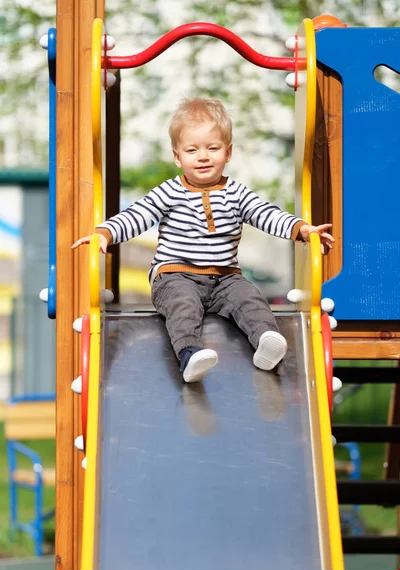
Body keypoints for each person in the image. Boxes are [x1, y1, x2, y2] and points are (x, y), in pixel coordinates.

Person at [72, 98, 334, 383]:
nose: (203, 156)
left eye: (213, 148)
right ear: (177, 157)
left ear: (228, 152)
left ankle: (266, 341)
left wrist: (302, 230)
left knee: (250, 298)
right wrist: (105, 233)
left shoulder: (236, 192)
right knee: (183, 305)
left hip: (225, 278)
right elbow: (138, 214)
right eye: (192, 150)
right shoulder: (170, 192)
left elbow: (264, 214)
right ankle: (189, 355)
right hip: (175, 274)